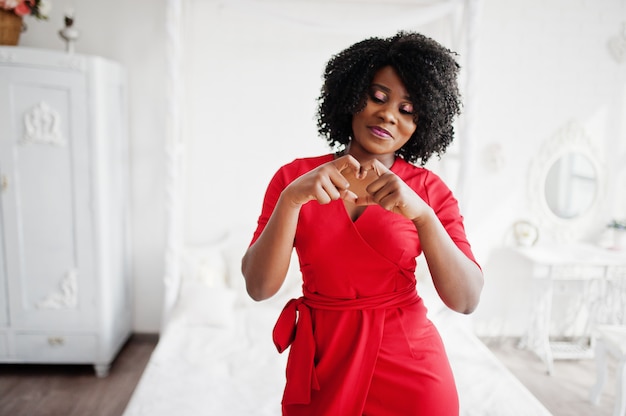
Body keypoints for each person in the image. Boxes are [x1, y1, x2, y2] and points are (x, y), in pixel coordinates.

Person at [241, 31, 484, 416]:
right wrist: (290, 202)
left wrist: (423, 216)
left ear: (423, 123)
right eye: (379, 96)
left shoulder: (429, 192)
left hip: (410, 370)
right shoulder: (294, 179)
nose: (389, 114)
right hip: (324, 363)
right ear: (352, 95)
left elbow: (467, 299)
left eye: (408, 109)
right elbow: (258, 287)